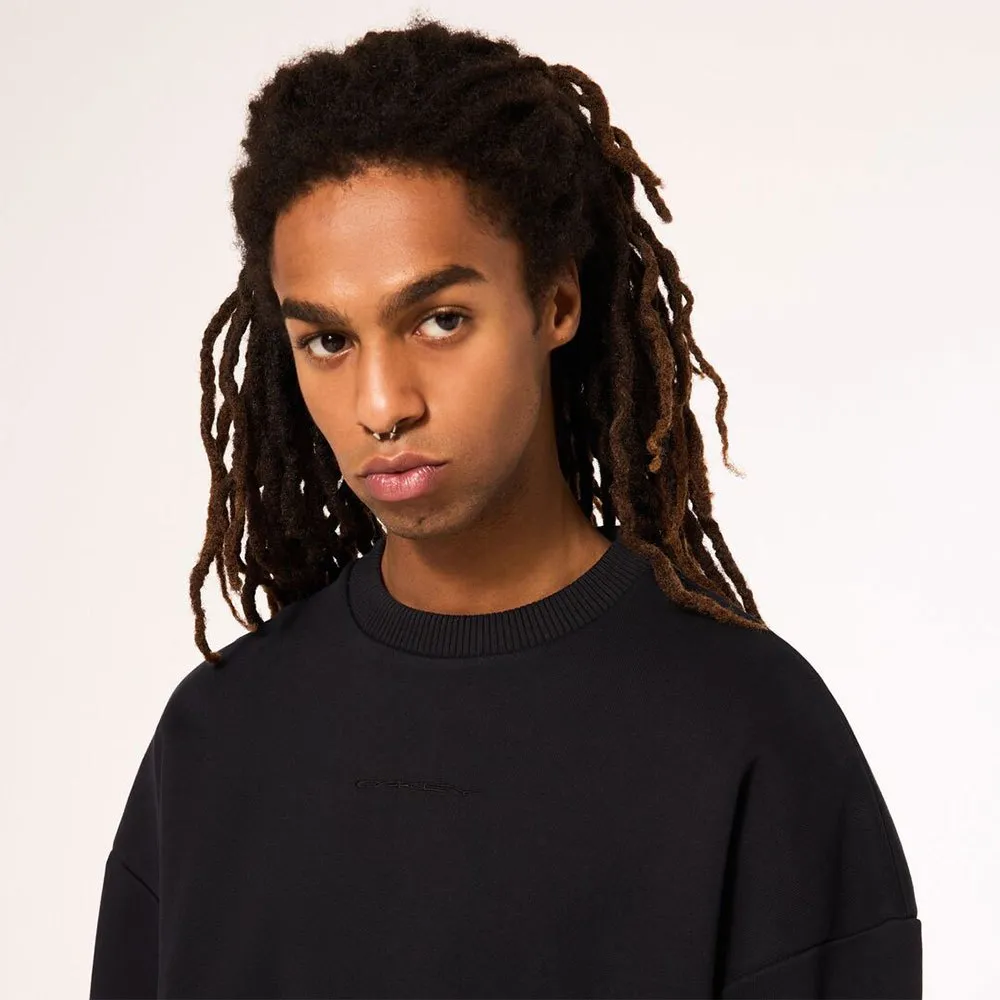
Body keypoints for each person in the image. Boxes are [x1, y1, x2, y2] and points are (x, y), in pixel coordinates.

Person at [89, 15, 921, 999]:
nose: (381, 404)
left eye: (440, 320)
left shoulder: (749, 736)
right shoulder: (218, 740)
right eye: (328, 341)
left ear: (555, 304)